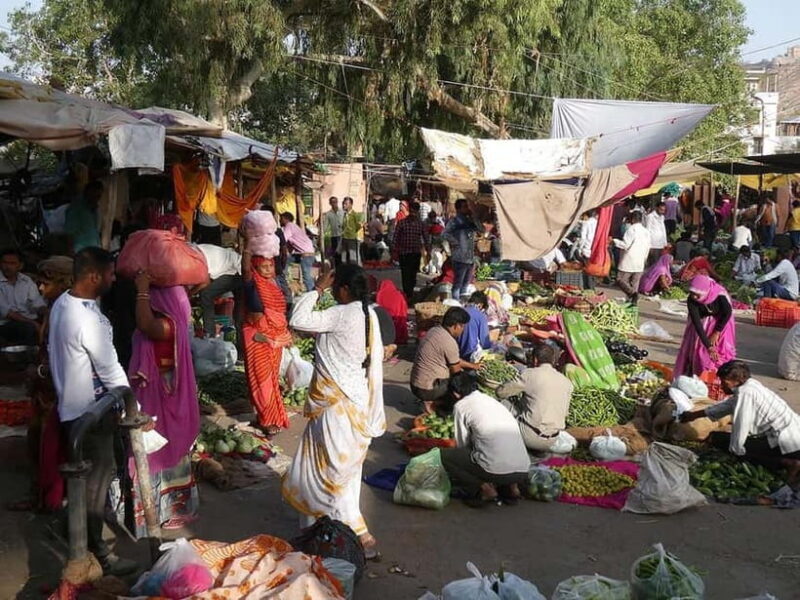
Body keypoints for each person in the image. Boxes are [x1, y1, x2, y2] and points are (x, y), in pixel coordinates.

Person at [283, 265, 386, 558]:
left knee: (331, 473)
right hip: (356, 402)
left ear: (341, 289)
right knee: (347, 472)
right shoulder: (369, 315)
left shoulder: (341, 314)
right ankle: (319, 530)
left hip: (336, 406)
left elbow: (298, 318)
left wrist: (316, 288)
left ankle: (354, 537)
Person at [48, 247, 138, 575]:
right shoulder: (85, 317)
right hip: (89, 414)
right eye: (111, 274)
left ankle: (76, 534)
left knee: (87, 481)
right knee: (96, 483)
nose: (115, 279)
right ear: (94, 276)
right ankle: (98, 555)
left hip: (73, 406)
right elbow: (110, 368)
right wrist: (133, 408)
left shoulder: (64, 304)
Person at [128, 273, 200, 533]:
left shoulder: (167, 325)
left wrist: (142, 290)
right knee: (151, 447)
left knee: (160, 449)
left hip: (164, 391)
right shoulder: (174, 320)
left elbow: (145, 324)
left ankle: (167, 509)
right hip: (156, 389)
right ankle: (157, 507)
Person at [7, 257, 73, 513]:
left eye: (45, 283)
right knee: (40, 444)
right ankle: (43, 496)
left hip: (55, 388)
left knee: (51, 448)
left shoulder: (65, 310)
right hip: (44, 387)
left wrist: (41, 371)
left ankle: (50, 501)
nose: (41, 289)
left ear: (62, 282)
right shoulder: (53, 307)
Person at [680, 360, 800, 488]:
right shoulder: (750, 385)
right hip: (793, 435)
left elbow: (741, 424)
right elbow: (725, 407)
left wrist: (736, 451)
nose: (721, 386)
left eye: (724, 382)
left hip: (787, 441)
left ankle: (786, 463)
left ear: (735, 381)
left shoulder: (745, 394)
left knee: (726, 443)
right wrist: (692, 415)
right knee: (730, 441)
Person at [440, 372, 530, 506]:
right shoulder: (492, 402)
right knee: (501, 448)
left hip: (496, 471)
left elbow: (462, 444)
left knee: (444, 456)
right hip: (523, 469)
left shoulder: (461, 406)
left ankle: (486, 489)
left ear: (456, 394)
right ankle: (513, 489)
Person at [243, 256, 293, 434]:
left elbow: (280, 313)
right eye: (263, 267)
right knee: (262, 382)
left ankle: (269, 418)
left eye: (270, 266)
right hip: (258, 342)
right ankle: (267, 419)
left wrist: (281, 335)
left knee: (271, 381)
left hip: (274, 343)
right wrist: (247, 245)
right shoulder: (251, 285)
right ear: (255, 269)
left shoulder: (275, 285)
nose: (268, 269)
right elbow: (250, 323)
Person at [495, 344, 573, 453]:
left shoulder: (530, 374)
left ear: (535, 360)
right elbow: (565, 413)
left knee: (504, 403)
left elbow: (501, 392)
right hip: (552, 439)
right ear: (553, 360)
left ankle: (502, 444)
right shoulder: (567, 382)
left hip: (530, 436)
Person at [410, 307, 480, 410]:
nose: (463, 330)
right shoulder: (449, 342)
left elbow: (454, 360)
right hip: (426, 389)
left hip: (414, 384)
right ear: (456, 325)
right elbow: (456, 372)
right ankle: (434, 404)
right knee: (463, 384)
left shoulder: (434, 330)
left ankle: (432, 400)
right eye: (463, 327)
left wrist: (474, 366)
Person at [673, 275, 736, 378]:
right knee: (700, 352)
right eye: (692, 293)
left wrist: (717, 332)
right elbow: (697, 324)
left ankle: (722, 377)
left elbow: (727, 313)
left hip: (722, 324)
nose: (694, 297)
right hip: (702, 325)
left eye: (697, 295)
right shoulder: (691, 301)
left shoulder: (719, 295)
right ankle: (699, 375)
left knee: (721, 352)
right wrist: (709, 346)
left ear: (705, 291)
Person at [191, 243, 242, 338]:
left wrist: (189, 294)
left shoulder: (196, 258)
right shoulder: (193, 250)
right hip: (232, 266)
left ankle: (209, 333)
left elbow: (204, 282)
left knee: (206, 295)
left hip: (236, 270)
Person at [0, 248, 46, 346]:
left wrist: (48, 314)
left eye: (12, 263)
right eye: (4, 263)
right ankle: (26, 356)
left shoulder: (26, 280)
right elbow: (7, 313)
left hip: (29, 320)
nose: (7, 267)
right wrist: (33, 323)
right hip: (6, 323)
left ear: (20, 265)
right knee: (28, 328)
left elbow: (37, 303)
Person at [392, 201, 431, 300]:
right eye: (412, 211)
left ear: (417, 212)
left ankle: (410, 293)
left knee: (412, 274)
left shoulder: (421, 224)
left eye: (415, 211)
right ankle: (407, 294)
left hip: (415, 253)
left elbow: (426, 239)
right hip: (404, 253)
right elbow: (395, 238)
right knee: (405, 274)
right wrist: (394, 251)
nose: (413, 213)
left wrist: (428, 252)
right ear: (410, 211)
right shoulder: (402, 223)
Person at [444, 199, 478, 300]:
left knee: (465, 285)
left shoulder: (469, 221)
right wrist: (456, 243)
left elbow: (481, 229)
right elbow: (445, 234)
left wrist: (474, 217)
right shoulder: (454, 221)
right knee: (458, 284)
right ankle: (456, 304)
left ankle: (462, 305)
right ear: (458, 209)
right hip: (459, 258)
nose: (467, 209)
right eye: (465, 207)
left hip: (469, 258)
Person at [613, 211, 651, 304]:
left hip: (629, 260)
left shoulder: (631, 230)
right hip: (640, 261)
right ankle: (632, 302)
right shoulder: (646, 231)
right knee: (635, 283)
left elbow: (626, 245)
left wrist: (614, 241)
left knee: (620, 279)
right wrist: (645, 259)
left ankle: (633, 294)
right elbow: (648, 247)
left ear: (633, 219)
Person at [279, 212, 316, 292]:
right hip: (303, 253)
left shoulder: (289, 226)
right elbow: (290, 246)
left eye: (281, 219)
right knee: (287, 259)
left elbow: (283, 240)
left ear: (286, 219)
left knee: (306, 276)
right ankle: (284, 276)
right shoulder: (294, 227)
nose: (279, 220)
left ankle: (313, 295)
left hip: (306, 255)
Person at [65, 180, 102, 252]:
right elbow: (69, 233)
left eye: (99, 196)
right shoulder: (76, 208)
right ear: (88, 192)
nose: (97, 199)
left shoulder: (94, 209)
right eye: (95, 196)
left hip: (94, 250)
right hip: (81, 251)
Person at [459, 291, 492, 360]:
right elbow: (485, 342)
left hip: (456, 352)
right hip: (469, 354)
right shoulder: (481, 316)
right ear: (480, 305)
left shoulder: (460, 310)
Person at [375, 279, 409, 345]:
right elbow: (404, 309)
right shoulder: (399, 295)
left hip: (386, 329)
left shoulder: (380, 295)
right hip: (399, 323)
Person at [340, 197, 364, 265]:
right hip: (344, 237)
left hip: (351, 238)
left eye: (346, 204)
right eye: (343, 204)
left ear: (351, 205)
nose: (344, 205)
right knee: (343, 257)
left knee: (352, 257)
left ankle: (353, 271)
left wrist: (352, 231)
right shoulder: (345, 214)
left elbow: (358, 225)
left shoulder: (354, 214)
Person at [644, 202, 668, 266]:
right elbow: (647, 230)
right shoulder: (650, 216)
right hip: (653, 244)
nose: (662, 212)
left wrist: (665, 243)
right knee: (653, 263)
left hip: (661, 244)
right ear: (656, 208)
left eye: (663, 210)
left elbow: (663, 230)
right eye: (661, 209)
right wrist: (648, 244)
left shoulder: (662, 217)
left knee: (658, 262)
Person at [323, 196, 344, 265]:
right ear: (330, 203)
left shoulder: (342, 212)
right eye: (332, 202)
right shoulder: (328, 214)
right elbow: (325, 225)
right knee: (335, 253)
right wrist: (322, 233)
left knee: (343, 253)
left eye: (335, 202)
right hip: (334, 236)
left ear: (337, 202)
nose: (334, 204)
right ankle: (337, 268)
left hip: (342, 236)